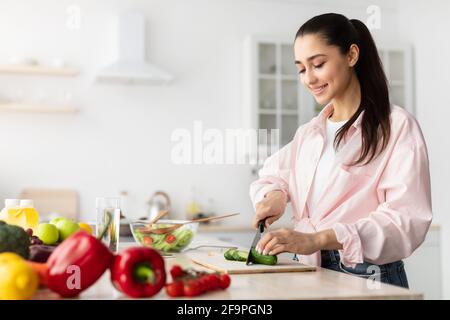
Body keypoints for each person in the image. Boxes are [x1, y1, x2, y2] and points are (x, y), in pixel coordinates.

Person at [249, 13, 432, 288]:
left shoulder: (396, 127)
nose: (309, 78)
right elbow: (271, 175)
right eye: (301, 69)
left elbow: (406, 221)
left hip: (366, 276)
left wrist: (320, 239)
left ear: (351, 55)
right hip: (309, 272)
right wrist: (275, 195)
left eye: (318, 64)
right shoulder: (310, 133)